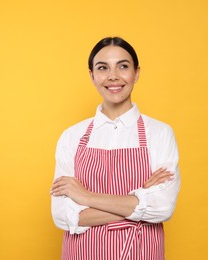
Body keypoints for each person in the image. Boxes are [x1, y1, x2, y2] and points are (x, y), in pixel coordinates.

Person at [50, 37, 180, 260]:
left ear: (136, 73)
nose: (113, 76)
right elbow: (61, 215)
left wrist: (85, 197)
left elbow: (163, 207)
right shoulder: (71, 136)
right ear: (92, 75)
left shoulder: (160, 133)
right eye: (102, 68)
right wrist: (137, 204)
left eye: (123, 66)